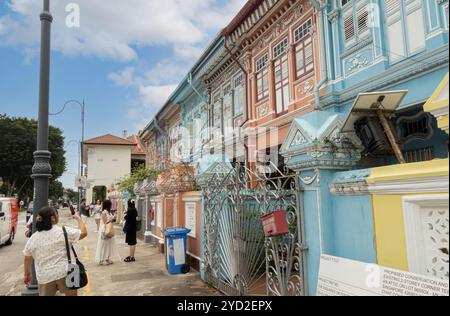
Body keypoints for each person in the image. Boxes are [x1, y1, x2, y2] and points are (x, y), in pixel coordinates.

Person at [23, 206, 88, 296]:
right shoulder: (63, 231)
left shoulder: (33, 238)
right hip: (69, 270)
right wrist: (78, 218)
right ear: (53, 218)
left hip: (45, 275)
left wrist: (27, 274)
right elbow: (84, 232)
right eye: (56, 214)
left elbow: (27, 257)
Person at [95, 200, 118, 266]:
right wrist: (113, 217)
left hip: (109, 228)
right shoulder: (104, 212)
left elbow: (110, 221)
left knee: (109, 244)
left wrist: (114, 217)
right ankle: (101, 259)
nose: (111, 205)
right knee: (103, 244)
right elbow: (105, 222)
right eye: (110, 204)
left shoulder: (109, 212)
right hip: (104, 229)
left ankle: (107, 258)